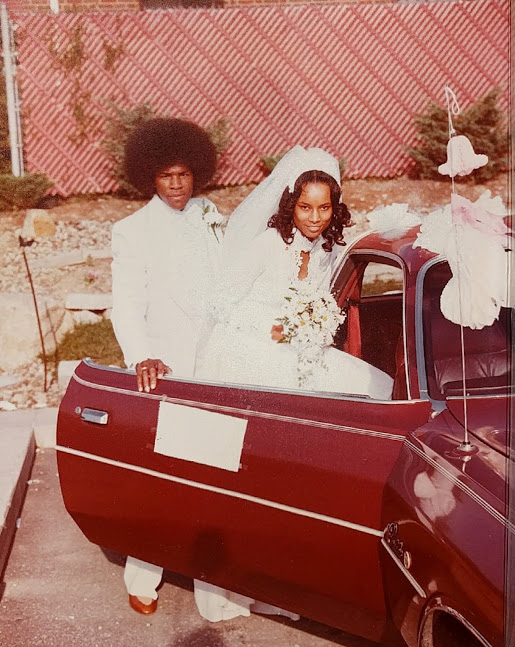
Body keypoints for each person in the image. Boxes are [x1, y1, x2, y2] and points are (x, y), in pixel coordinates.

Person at [111, 117, 223, 615]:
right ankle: (142, 576)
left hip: (215, 365)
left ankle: (218, 583)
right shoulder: (131, 231)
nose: (177, 185)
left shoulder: (211, 217)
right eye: (165, 176)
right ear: (148, 178)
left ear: (197, 172)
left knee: (216, 475)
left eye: (183, 174)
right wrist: (141, 356)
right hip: (166, 368)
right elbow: (126, 304)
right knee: (160, 479)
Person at [197, 145, 393, 399]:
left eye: (324, 208)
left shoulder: (326, 249)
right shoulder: (268, 244)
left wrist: (317, 328)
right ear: (291, 206)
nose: (315, 218)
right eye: (305, 207)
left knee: (377, 386)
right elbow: (219, 303)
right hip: (247, 348)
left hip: (301, 348)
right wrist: (270, 328)